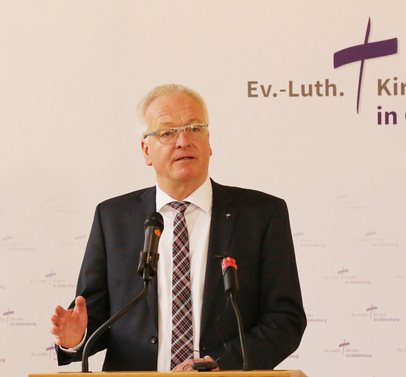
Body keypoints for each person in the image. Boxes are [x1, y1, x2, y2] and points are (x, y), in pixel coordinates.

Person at [50, 84, 306, 372]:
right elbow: (96, 315)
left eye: (195, 128)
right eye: (167, 132)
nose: (183, 141)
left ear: (209, 141)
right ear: (146, 150)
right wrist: (76, 337)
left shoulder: (261, 214)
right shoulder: (113, 218)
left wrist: (221, 364)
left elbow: (285, 319)